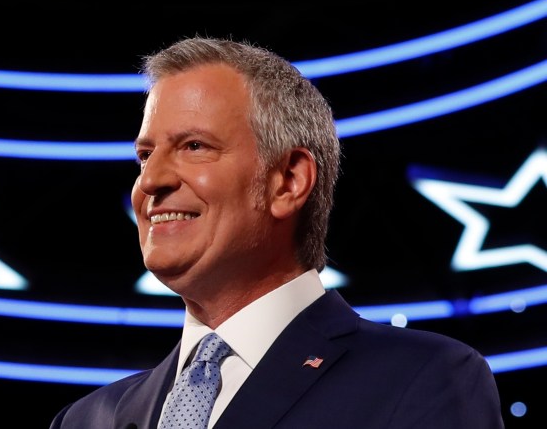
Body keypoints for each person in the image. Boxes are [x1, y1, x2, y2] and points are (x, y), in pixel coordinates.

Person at [49, 36, 504, 428]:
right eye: (146, 155)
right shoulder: (88, 419)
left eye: (193, 146)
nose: (150, 181)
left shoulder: (420, 379)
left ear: (287, 181)